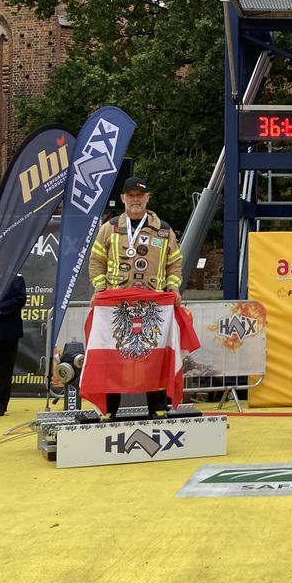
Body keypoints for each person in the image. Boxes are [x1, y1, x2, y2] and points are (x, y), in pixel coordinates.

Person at [88, 176, 184, 417]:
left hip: (153, 305)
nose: (135, 200)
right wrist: (100, 289)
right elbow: (96, 261)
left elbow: (174, 264)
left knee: (154, 356)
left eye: (139, 195)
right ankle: (111, 411)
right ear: (123, 198)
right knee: (114, 357)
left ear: (147, 197)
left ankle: (157, 410)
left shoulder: (163, 230)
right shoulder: (109, 228)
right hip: (116, 306)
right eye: (130, 195)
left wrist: (173, 289)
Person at [0, 274, 26, 417]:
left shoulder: (16, 278)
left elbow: (20, 299)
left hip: (8, 331)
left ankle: (1, 405)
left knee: (5, 369)